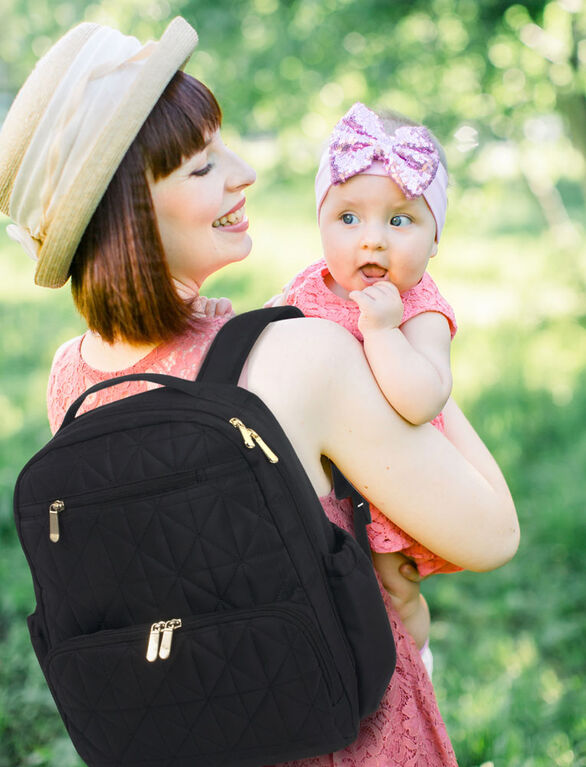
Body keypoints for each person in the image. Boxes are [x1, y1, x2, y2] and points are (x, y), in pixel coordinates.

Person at [0, 17, 519, 767]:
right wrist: (416, 334)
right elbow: (490, 532)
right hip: (345, 730)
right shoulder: (300, 356)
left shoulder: (72, 378)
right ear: (133, 212)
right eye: (204, 166)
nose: (242, 172)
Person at [264, 103, 468, 660]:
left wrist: (381, 330)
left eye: (399, 220)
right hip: (319, 479)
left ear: (434, 240)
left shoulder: (420, 308)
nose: (372, 240)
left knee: (394, 593)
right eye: (348, 219)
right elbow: (262, 351)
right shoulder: (308, 287)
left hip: (390, 482)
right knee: (326, 593)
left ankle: (413, 670)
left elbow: (422, 400)